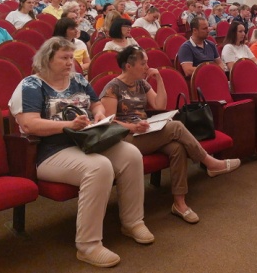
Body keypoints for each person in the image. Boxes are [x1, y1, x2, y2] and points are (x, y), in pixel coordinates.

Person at [8, 37, 151, 268]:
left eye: (71, 57)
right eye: (64, 58)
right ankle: (88, 245)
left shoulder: (78, 80)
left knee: (131, 154)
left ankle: (133, 222)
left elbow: (96, 104)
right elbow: (29, 124)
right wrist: (68, 126)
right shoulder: (31, 85)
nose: (70, 62)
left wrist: (99, 114)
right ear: (47, 59)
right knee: (99, 167)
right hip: (51, 152)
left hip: (87, 141)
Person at [100, 46, 240, 224]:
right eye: (143, 64)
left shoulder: (141, 83)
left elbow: (160, 105)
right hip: (125, 139)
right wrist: (132, 127)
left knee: (177, 148)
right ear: (128, 66)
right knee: (176, 127)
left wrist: (159, 79)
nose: (147, 67)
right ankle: (210, 163)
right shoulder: (112, 88)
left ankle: (179, 203)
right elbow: (109, 123)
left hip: (144, 132)